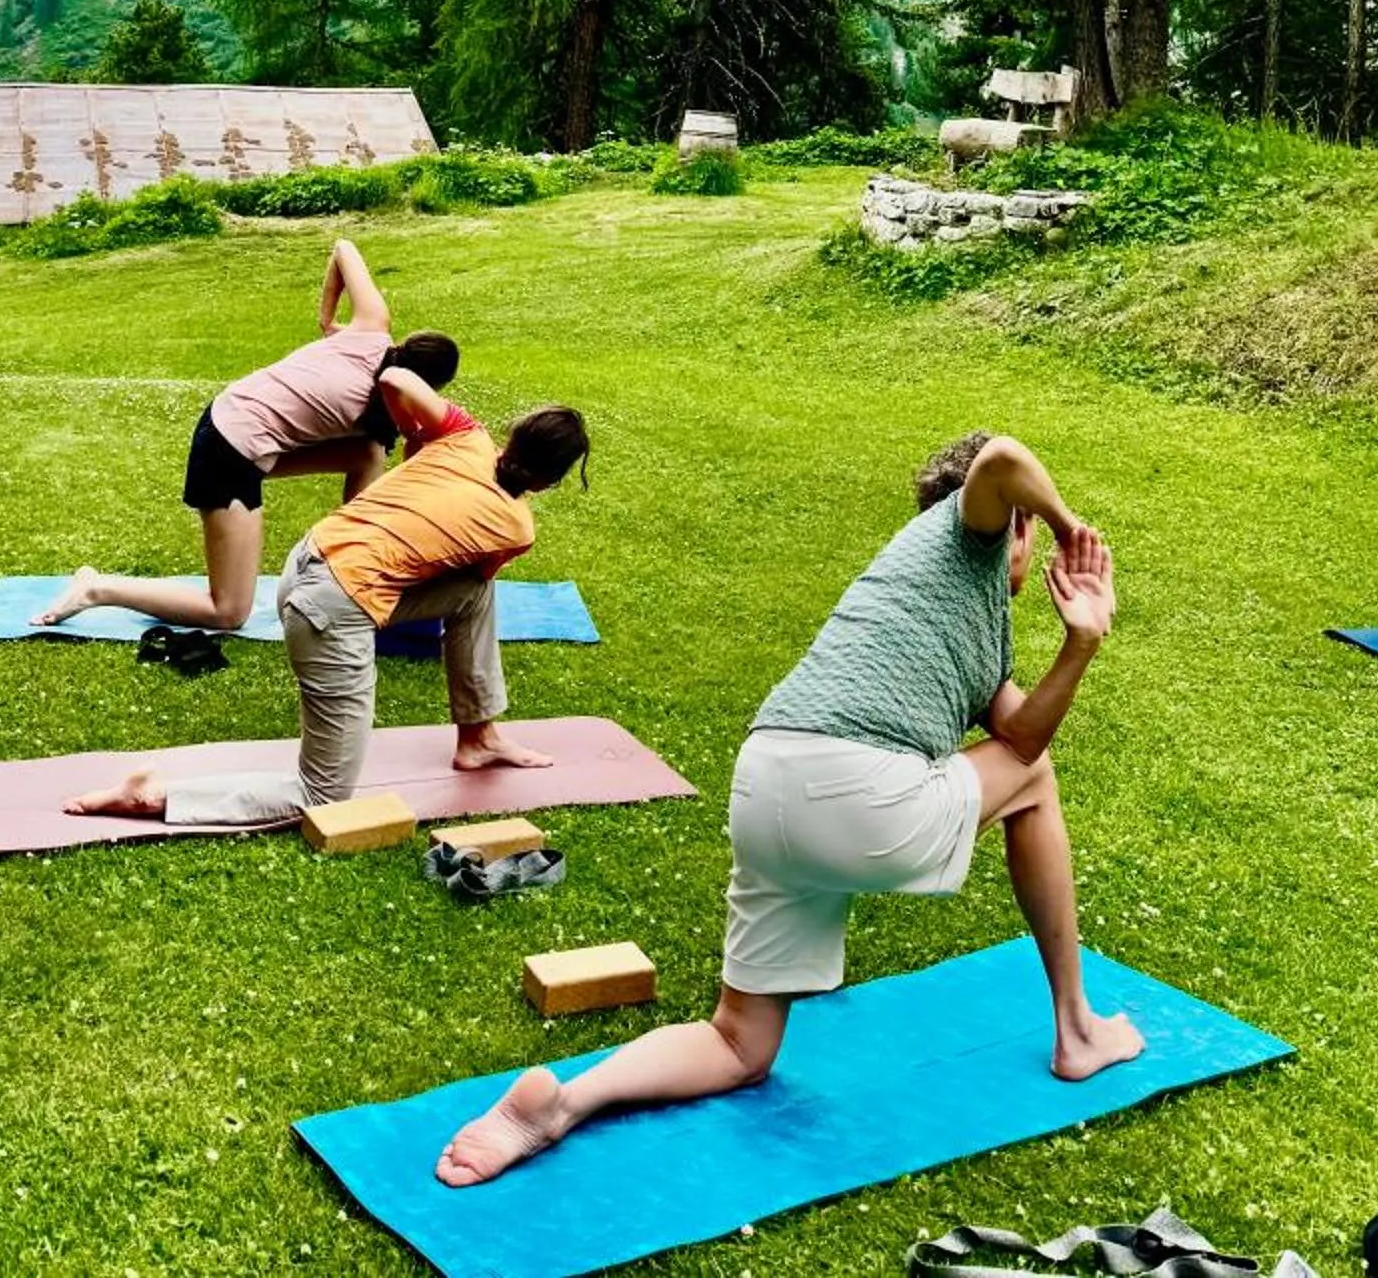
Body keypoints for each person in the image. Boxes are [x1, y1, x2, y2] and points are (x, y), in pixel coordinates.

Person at [435, 428, 1140, 1193]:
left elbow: (1023, 735)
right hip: (855, 793)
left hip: (767, 787)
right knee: (1038, 781)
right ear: (1014, 526)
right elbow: (1001, 458)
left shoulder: (954, 616)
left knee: (739, 1043)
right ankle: (1077, 1028)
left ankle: (565, 1104)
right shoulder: (967, 536)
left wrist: (1081, 643)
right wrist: (1074, 533)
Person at [66, 383, 592, 822]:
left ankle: (478, 738)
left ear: (511, 435)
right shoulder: (516, 528)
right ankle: (155, 797)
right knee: (322, 795)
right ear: (550, 481)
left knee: (474, 594)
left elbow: (399, 380)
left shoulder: (464, 435)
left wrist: (416, 440)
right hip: (329, 610)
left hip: (304, 563)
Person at [32, 236, 457, 635]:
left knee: (367, 453)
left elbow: (344, 247)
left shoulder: (372, 327)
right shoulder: (393, 402)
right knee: (228, 611)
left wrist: (328, 320)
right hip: (226, 449)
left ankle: (352, 565)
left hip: (244, 429)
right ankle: (97, 588)